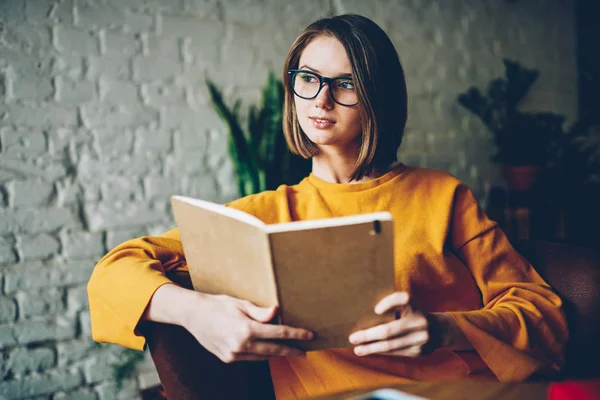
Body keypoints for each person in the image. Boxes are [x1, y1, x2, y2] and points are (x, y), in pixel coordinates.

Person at [88, 14, 567, 399]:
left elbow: (540, 310)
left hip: (457, 391)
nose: (321, 99)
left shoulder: (443, 195)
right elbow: (114, 269)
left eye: (346, 83)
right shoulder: (261, 216)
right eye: (308, 78)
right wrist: (195, 312)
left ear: (377, 95)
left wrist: (443, 330)